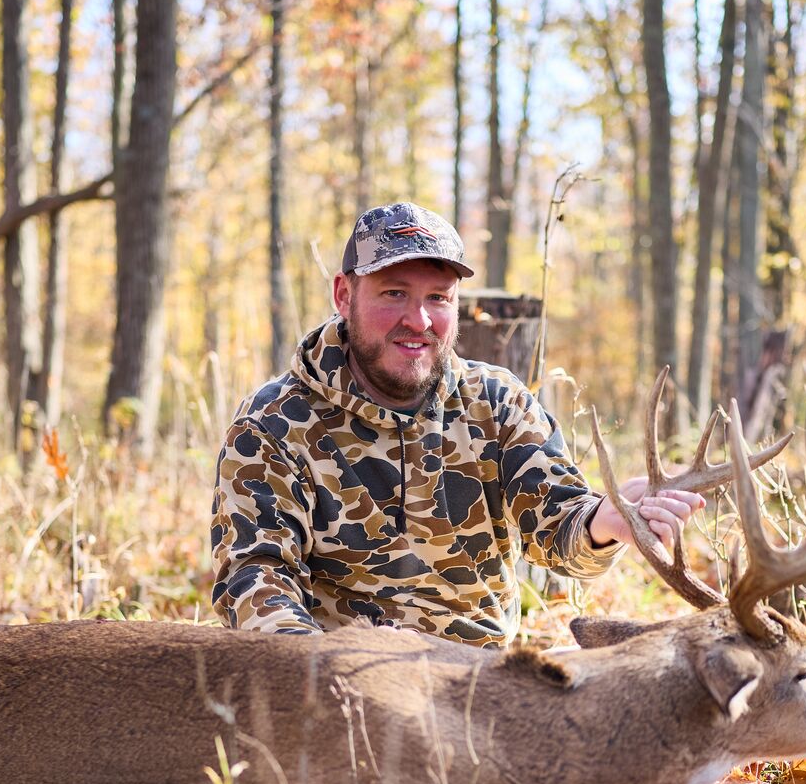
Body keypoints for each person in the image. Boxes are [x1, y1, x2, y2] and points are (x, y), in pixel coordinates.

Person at [210, 202, 703, 647]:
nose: (419, 320)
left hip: (480, 688)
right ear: (344, 295)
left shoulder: (497, 402)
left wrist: (603, 522)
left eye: (439, 298)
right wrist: (319, 676)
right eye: (394, 293)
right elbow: (254, 578)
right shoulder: (273, 424)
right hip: (342, 687)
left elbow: (557, 529)